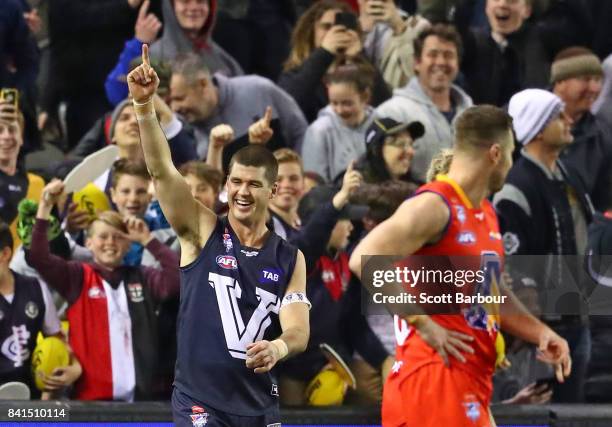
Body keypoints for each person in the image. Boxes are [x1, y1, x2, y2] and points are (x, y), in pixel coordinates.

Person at [349, 105, 571, 426]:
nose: (512, 164)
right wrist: (423, 323)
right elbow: (364, 259)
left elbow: (492, 294)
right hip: (433, 378)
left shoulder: (487, 213)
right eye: (510, 154)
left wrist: (541, 333)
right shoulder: (434, 206)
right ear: (495, 153)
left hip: (469, 381)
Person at [128, 44, 310, 425]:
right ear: (226, 185)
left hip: (259, 405)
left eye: (254, 185)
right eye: (236, 182)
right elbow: (163, 172)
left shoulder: (290, 257)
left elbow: (297, 329)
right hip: (199, 402)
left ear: (272, 191)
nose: (243, 192)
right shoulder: (203, 230)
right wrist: (145, 108)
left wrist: (277, 347)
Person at [29, 182, 180, 401]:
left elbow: (175, 283)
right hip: (90, 403)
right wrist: (44, 207)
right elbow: (39, 258)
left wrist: (148, 240)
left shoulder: (143, 276)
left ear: (128, 244)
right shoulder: (77, 276)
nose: (110, 242)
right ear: (88, 243)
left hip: (143, 403)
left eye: (118, 237)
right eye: (103, 237)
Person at [494, 89, 594, 402]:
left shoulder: (567, 173)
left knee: (570, 413)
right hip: (539, 330)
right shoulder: (515, 185)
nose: (568, 121)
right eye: (557, 116)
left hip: (577, 318)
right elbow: (513, 264)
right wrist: (532, 326)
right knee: (537, 410)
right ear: (536, 126)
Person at [374, 24, 472, 183]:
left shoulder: (471, 113)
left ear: (458, 64)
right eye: (432, 54)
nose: (440, 62)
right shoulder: (392, 112)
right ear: (417, 62)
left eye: (448, 55)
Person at [169, 53, 307, 159]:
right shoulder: (181, 133)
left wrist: (301, 179)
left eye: (180, 98)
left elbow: (299, 131)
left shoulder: (258, 90)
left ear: (203, 85)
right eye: (169, 101)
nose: (174, 108)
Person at [0, 220, 81, 398]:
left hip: (29, 397)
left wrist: (74, 366)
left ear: (5, 254)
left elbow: (56, 341)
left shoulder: (36, 288)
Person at [278, 0, 391, 123]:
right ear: (311, 33)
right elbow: (287, 106)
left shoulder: (363, 66)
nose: (334, 33)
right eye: (326, 27)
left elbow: (385, 107)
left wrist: (359, 57)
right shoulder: (294, 74)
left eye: (342, 27)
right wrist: (324, 53)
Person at [552, 47, 612, 213]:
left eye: (598, 79)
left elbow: (604, 200)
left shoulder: (602, 136)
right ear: (560, 82)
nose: (594, 88)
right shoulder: (523, 118)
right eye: (584, 79)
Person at [302, 66, 375, 183]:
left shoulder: (380, 124)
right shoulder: (318, 131)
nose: (340, 110)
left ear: (365, 97)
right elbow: (313, 185)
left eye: (347, 103)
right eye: (334, 103)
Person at [149, 0, 243, 77]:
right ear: (171, 7)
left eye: (200, 1)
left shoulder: (225, 62)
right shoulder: (154, 59)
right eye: (185, 1)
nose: (194, 8)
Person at [358, 0, 430, 89]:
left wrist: (399, 27)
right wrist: (362, 32)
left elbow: (419, 77)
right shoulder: (345, 26)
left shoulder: (418, 27)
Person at [0, 107, 44, 252]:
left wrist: (68, 226)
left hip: (23, 270)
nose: (6, 136)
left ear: (21, 137)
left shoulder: (37, 184)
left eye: (12, 130)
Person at [353, 117, 424, 184]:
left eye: (411, 144)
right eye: (400, 144)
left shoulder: (420, 191)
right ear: (376, 150)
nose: (410, 151)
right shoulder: (354, 191)